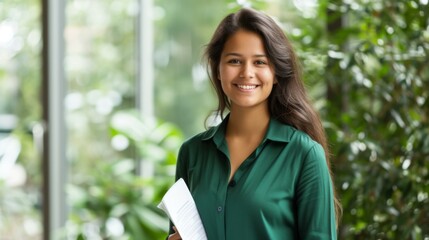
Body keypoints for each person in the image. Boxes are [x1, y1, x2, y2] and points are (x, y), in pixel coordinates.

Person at [167, 7, 341, 240]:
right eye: (235, 61)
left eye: (260, 62)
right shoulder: (192, 153)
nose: (247, 73)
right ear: (218, 69)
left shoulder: (304, 154)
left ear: (276, 72)